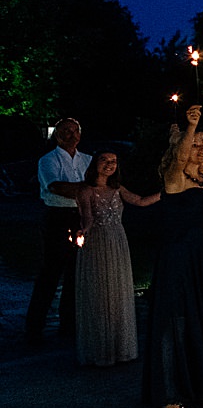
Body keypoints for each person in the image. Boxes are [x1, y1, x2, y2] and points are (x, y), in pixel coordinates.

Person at [143, 106, 203, 408]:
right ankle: (170, 393)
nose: (201, 148)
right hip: (179, 258)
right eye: (195, 143)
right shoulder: (175, 178)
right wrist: (190, 126)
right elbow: (179, 158)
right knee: (177, 323)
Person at [75, 150, 160, 366]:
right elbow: (87, 218)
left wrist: (167, 192)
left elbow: (140, 201)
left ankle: (121, 347)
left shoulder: (117, 188)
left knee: (118, 288)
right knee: (101, 289)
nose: (110, 165)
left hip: (118, 239)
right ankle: (101, 349)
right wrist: (82, 231)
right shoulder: (86, 190)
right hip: (99, 242)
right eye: (105, 160)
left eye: (113, 161)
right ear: (95, 164)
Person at [26, 117, 92, 343]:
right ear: (57, 134)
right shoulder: (48, 160)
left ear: (80, 134)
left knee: (77, 272)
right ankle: (34, 328)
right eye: (65, 131)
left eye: (75, 131)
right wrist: (88, 189)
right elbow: (56, 187)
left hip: (82, 217)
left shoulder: (87, 160)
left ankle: (69, 324)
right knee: (50, 272)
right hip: (57, 217)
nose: (71, 135)